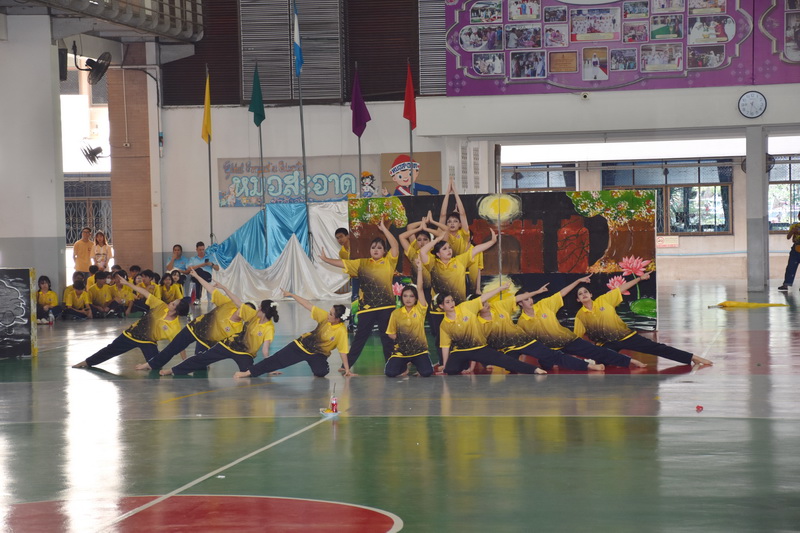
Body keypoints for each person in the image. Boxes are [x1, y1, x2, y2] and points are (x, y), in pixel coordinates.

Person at [573, 273, 713, 366]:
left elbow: (622, 288)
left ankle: (692, 357)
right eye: (580, 294)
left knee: (657, 348)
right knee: (600, 361)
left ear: (591, 294)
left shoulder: (604, 300)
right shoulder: (580, 315)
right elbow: (576, 338)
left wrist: (640, 279)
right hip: (606, 344)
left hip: (627, 337)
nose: (584, 294)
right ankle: (631, 362)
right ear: (578, 300)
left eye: (585, 292)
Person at [516, 275, 645, 368]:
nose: (530, 300)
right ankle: (584, 364)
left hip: (567, 340)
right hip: (551, 349)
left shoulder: (544, 305)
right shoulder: (522, 322)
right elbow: (525, 343)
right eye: (526, 299)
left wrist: (577, 281)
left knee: (596, 351)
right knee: (546, 365)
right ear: (520, 303)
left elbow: (562, 293)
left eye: (530, 297)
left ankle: (630, 361)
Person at [320, 220, 399, 369]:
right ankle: (346, 365)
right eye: (373, 247)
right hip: (366, 308)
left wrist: (384, 229)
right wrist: (325, 260)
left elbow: (395, 246)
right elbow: (342, 263)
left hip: (386, 307)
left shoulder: (389, 262)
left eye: (379, 248)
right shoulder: (361, 263)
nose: (376, 250)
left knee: (387, 338)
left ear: (384, 251)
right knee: (360, 338)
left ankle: (392, 366)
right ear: (370, 250)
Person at [478, 284, 605, 372]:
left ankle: (588, 365)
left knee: (554, 356)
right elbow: (481, 345)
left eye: (486, 302)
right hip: (510, 348)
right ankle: (537, 367)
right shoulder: (520, 321)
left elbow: (518, 298)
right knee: (512, 366)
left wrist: (537, 292)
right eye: (483, 304)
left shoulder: (500, 306)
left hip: (529, 342)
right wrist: (486, 362)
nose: (487, 305)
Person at [72, 275, 190, 368]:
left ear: (176, 311)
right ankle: (86, 362)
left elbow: (179, 346)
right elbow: (145, 293)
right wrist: (128, 283)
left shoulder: (175, 327)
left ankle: (146, 365)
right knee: (110, 350)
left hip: (148, 341)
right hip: (131, 334)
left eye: (173, 304)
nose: (170, 302)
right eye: (172, 301)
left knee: (156, 364)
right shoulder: (161, 306)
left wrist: (185, 361)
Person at [136, 270, 243, 370]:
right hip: (194, 328)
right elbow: (211, 289)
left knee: (201, 365)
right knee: (172, 347)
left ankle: (189, 366)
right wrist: (196, 276)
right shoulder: (228, 304)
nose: (241, 311)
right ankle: (150, 364)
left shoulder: (239, 327)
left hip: (206, 339)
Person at [234, 290, 352, 378]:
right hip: (301, 346)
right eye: (329, 312)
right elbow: (307, 304)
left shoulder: (341, 331)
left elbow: (343, 351)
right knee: (276, 359)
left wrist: (347, 370)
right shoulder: (324, 317)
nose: (328, 314)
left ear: (338, 319)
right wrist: (291, 295)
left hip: (318, 354)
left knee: (322, 372)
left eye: (331, 314)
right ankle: (248, 372)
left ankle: (316, 365)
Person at [159, 290, 278, 377]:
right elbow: (237, 301)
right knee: (202, 358)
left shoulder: (269, 328)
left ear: (263, 311)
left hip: (245, 353)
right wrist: (224, 288)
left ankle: (243, 374)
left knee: (250, 371)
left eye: (259, 308)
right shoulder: (253, 316)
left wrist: (270, 368)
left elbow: (265, 351)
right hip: (228, 345)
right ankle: (173, 370)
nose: (257, 310)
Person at [437, 284, 547, 375]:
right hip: (460, 351)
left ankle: (534, 370)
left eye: (452, 300)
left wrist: (500, 289)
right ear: (441, 306)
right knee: (450, 370)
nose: (452, 303)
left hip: (479, 348)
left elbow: (483, 298)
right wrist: (445, 367)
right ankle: (455, 366)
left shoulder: (465, 307)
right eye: (447, 302)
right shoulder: (444, 325)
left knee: (504, 360)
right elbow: (445, 346)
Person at [385, 259, 434, 377]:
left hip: (419, 351)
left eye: (411, 296)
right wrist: (403, 338)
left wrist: (420, 269)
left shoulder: (420, 309)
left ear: (416, 298)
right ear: (401, 298)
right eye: (405, 296)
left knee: (427, 373)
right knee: (390, 373)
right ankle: (405, 366)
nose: (408, 299)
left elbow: (420, 288)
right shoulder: (396, 313)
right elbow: (390, 333)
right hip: (401, 351)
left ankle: (417, 363)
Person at [436, 178, 483, 295]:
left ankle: (475, 289)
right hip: (447, 266)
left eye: (455, 221)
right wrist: (447, 192)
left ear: (460, 224)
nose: (452, 223)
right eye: (449, 221)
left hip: (463, 264)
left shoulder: (464, 234)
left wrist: (455, 191)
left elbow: (462, 214)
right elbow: (442, 215)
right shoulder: (444, 234)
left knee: (475, 252)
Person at [778, 212, 800, 291]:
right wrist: (792, 231)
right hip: (796, 249)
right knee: (791, 267)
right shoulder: (794, 226)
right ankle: (786, 284)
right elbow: (788, 237)